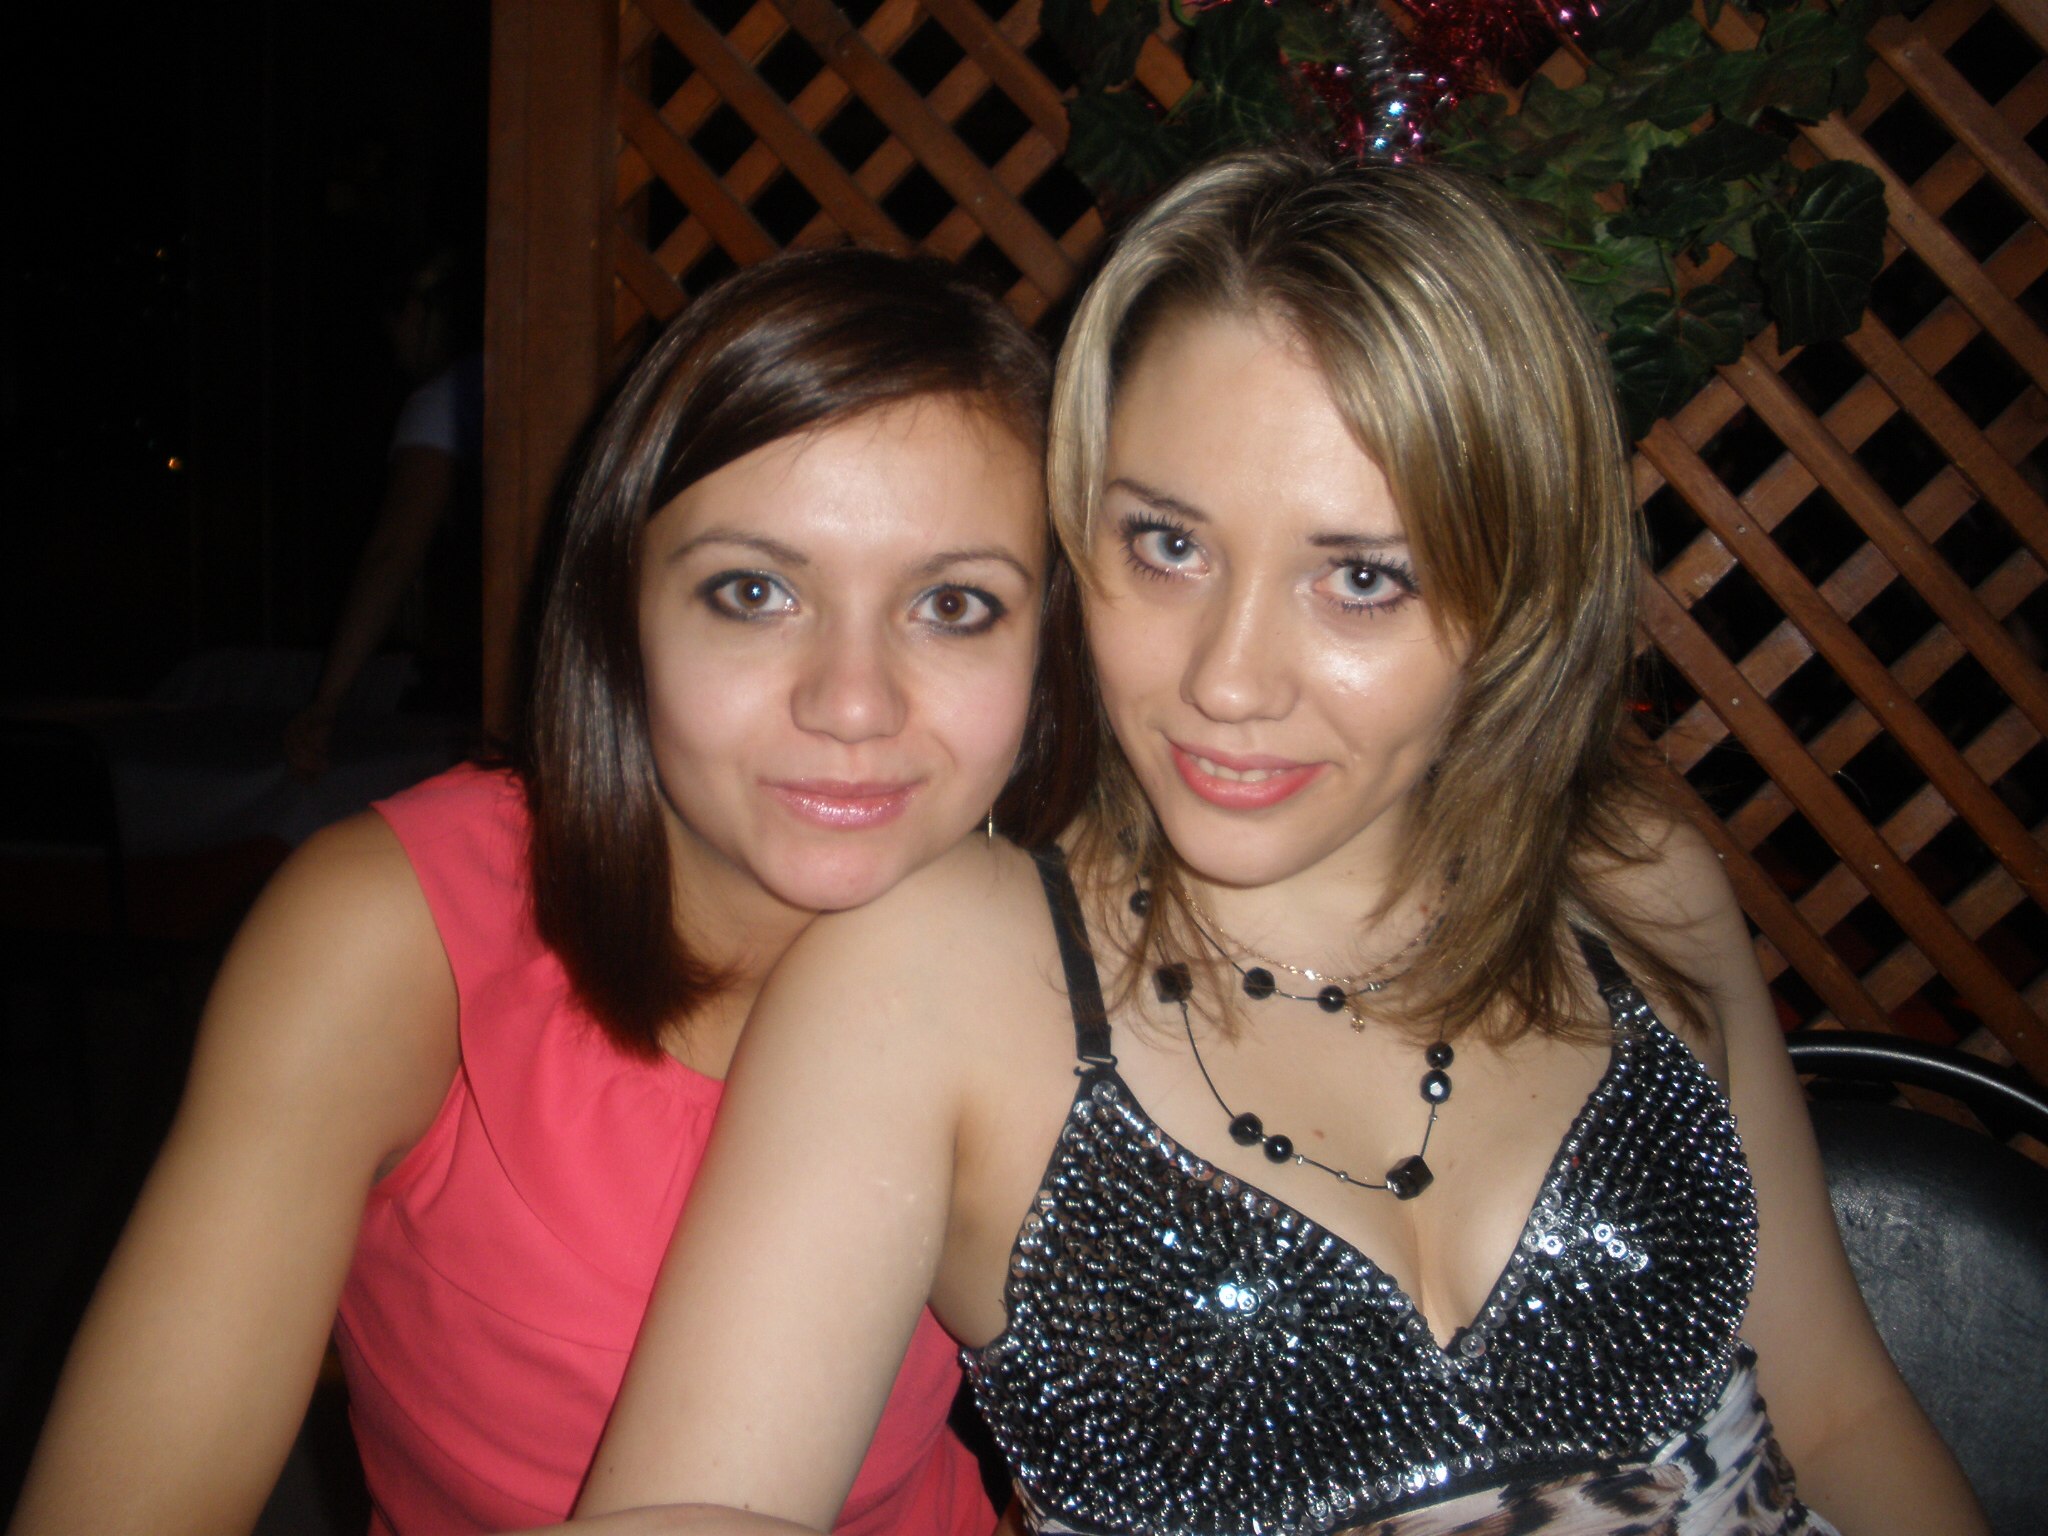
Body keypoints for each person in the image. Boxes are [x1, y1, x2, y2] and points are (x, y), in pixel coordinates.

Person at [556, 153, 1988, 1536]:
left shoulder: (1634, 878)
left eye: (1360, 576)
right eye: (1169, 546)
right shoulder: (928, 976)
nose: (1228, 681)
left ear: (1517, 589)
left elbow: (1838, 1413)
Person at [9, 247, 1092, 1536]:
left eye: (954, 604)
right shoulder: (392, 938)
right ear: (618, 613)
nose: (851, 704)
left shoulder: (1060, 950)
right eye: (753, 592)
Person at [284, 251, 486, 778]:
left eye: (391, 328)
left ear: (417, 312)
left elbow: (394, 552)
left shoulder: (446, 399)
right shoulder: (531, 378)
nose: (394, 351)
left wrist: (325, 705)